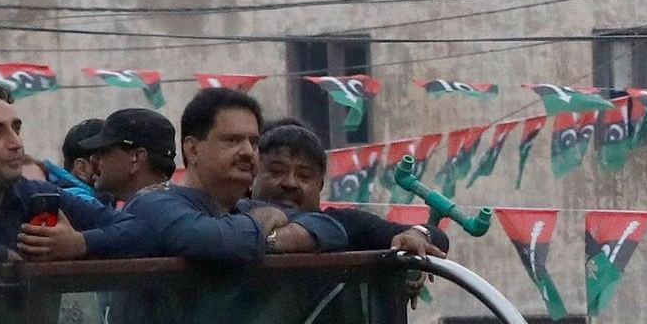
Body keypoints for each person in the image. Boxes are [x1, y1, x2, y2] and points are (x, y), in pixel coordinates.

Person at [128, 87, 439, 260]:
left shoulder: (245, 209)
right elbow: (219, 243)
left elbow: (331, 228)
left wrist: (415, 238)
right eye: (232, 140)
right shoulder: (155, 203)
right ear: (192, 150)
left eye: (252, 141)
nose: (248, 151)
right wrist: (266, 225)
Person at [0, 81, 156, 260]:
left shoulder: (37, 195)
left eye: (16, 129)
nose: (16, 143)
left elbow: (141, 231)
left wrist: (81, 242)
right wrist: (4, 258)